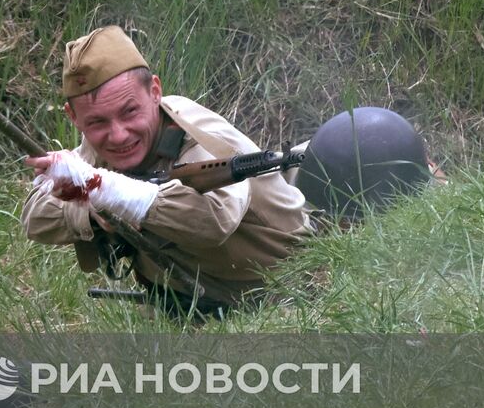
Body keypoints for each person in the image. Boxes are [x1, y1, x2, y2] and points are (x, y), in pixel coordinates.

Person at [22, 26, 314, 319]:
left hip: (279, 290)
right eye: (97, 122)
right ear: (73, 117)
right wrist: (92, 208)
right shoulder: (96, 148)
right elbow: (35, 217)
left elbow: (217, 220)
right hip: (182, 301)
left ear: (155, 92)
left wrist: (109, 192)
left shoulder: (197, 137)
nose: (118, 135)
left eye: (129, 112)